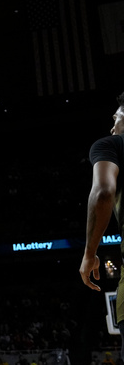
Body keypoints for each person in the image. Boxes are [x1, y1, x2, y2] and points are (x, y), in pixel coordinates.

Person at [79, 92, 123, 338]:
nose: (112, 125)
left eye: (116, 117)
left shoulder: (110, 144)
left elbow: (104, 193)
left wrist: (89, 252)